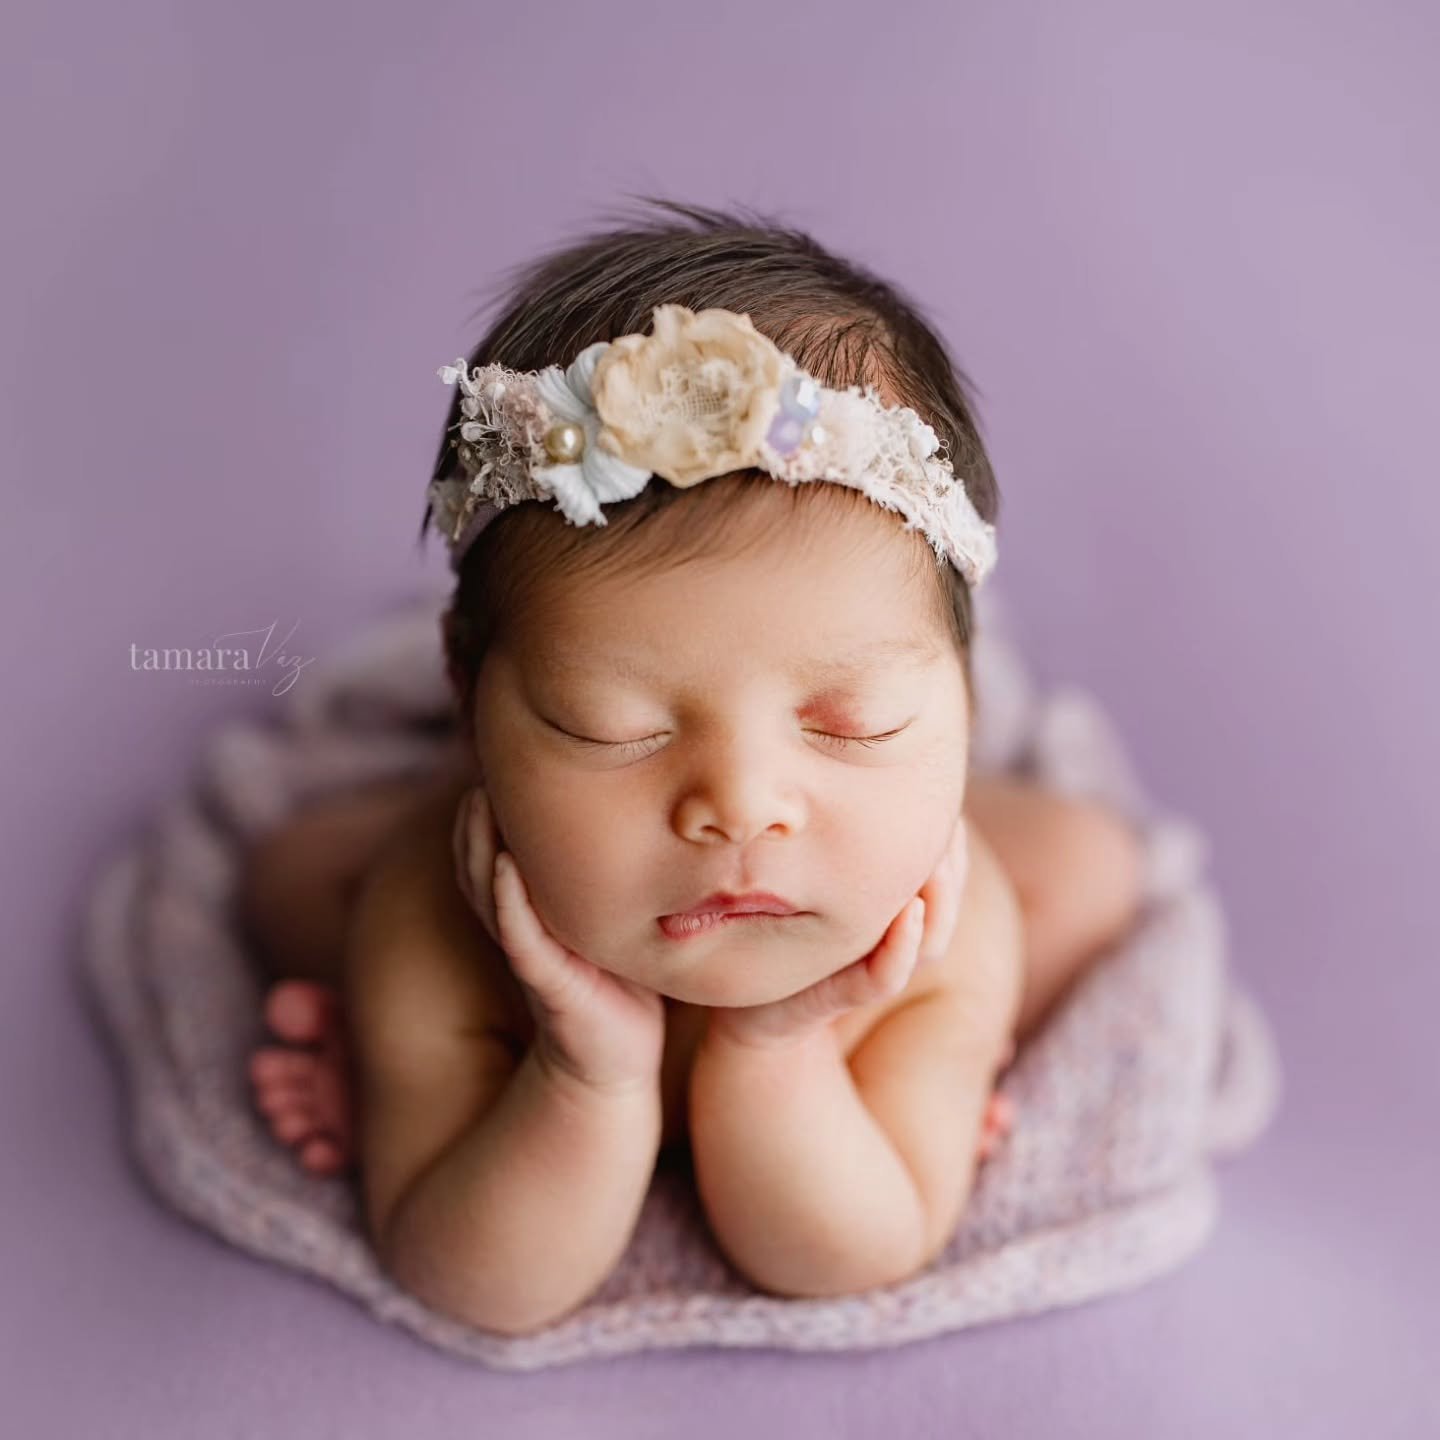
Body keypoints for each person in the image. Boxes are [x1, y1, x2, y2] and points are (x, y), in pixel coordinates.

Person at [241, 199, 1143, 1335]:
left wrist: (783, 1049)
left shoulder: (938, 927)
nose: (741, 808)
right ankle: (416, 1039)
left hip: (867, 942)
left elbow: (845, 1257)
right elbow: (471, 1279)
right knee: (290, 881)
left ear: (963, 690)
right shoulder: (439, 924)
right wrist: (587, 1075)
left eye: (852, 722)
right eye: (611, 726)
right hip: (500, 919)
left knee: (1087, 870)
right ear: (468, 700)